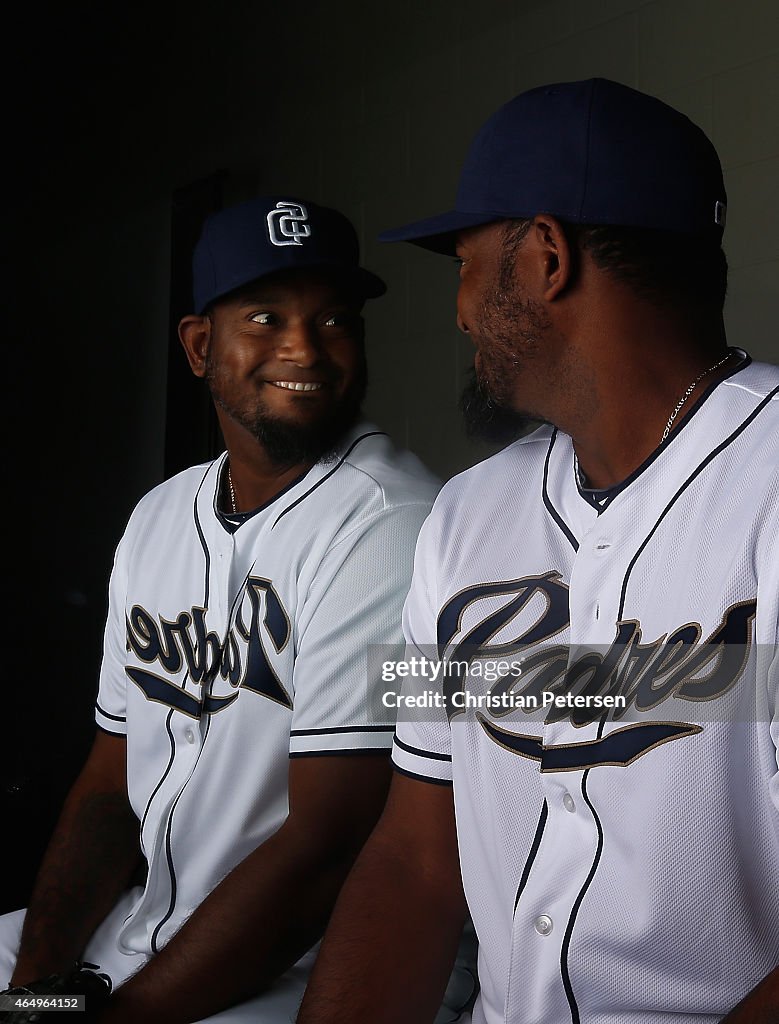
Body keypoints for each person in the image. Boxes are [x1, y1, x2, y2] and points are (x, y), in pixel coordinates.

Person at [294, 79, 779, 1024]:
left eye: (468, 264)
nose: (463, 309)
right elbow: (412, 849)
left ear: (546, 258)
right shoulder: (464, 513)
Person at [0, 195, 447, 1023]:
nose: (304, 348)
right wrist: (35, 986)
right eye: (266, 316)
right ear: (201, 346)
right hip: (141, 933)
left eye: (335, 320)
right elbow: (108, 781)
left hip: (298, 970)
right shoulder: (161, 515)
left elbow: (326, 850)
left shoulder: (393, 522)